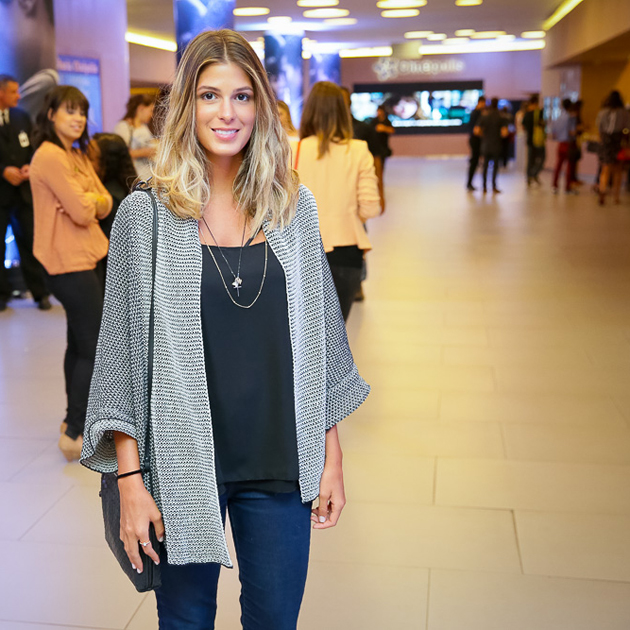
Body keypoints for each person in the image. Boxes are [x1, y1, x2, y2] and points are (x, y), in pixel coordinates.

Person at [80, 30, 369, 629]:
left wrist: (331, 454)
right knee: (185, 621)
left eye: (242, 96)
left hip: (281, 461)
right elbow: (120, 360)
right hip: (182, 465)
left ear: (261, 107)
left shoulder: (293, 207)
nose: (226, 113)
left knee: (276, 620)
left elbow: (320, 340)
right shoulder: (146, 215)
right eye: (209, 95)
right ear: (186, 105)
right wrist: (130, 482)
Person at [30, 85, 112, 461]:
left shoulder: (75, 153)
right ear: (51, 115)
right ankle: (76, 432)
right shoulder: (49, 156)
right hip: (66, 261)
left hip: (89, 254)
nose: (78, 118)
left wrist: (88, 200)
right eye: (69, 111)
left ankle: (70, 423)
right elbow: (81, 212)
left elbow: (105, 201)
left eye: (81, 111)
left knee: (79, 343)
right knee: (92, 346)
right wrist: (86, 202)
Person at [294, 81, 381, 321]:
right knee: (336, 331)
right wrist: (346, 214)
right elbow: (371, 207)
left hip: (301, 252)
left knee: (305, 331)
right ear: (343, 112)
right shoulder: (358, 150)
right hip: (347, 251)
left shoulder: (293, 151)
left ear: (309, 111)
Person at [0, 73, 50, 311]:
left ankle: (40, 294)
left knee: (30, 243)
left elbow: (33, 146)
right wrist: (3, 171)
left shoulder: (22, 116)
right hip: (1, 193)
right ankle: (2, 296)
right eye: (13, 92)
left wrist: (31, 165)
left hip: (23, 194)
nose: (19, 96)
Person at [88, 132, 137, 239]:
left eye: (90, 158)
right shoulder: (130, 188)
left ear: (107, 164)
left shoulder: (111, 198)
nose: (85, 162)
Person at [596, 90, 629, 205]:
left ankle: (602, 190)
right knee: (618, 170)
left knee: (605, 169)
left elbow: (599, 127)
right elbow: (627, 128)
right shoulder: (624, 113)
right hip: (618, 141)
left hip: (605, 141)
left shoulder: (603, 112)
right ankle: (616, 196)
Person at [113, 93, 156, 181]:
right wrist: (142, 152)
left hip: (147, 175)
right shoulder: (123, 126)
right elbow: (120, 153)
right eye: (150, 110)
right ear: (141, 108)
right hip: (133, 176)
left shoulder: (144, 126)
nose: (151, 114)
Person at [475, 97, 508, 194]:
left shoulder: (484, 116)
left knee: (485, 166)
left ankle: (484, 186)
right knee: (495, 167)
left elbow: (476, 131)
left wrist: (484, 136)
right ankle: (494, 186)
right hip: (496, 145)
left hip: (486, 144)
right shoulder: (501, 117)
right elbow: (504, 133)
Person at [551, 98, 577, 194]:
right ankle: (567, 187)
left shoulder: (558, 117)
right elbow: (572, 132)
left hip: (560, 143)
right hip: (568, 144)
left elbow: (553, 132)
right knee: (569, 166)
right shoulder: (570, 117)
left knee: (558, 165)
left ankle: (555, 185)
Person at [522, 93, 546, 186]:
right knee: (541, 159)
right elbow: (543, 125)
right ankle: (533, 174)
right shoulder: (539, 113)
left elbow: (523, 127)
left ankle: (529, 176)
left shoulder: (527, 114)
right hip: (538, 140)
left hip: (530, 140)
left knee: (530, 160)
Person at [466, 96, 486, 191]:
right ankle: (469, 183)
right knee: (474, 162)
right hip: (476, 140)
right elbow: (476, 130)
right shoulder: (477, 113)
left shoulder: (476, 112)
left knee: (475, 161)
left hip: (475, 140)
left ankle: (470, 183)